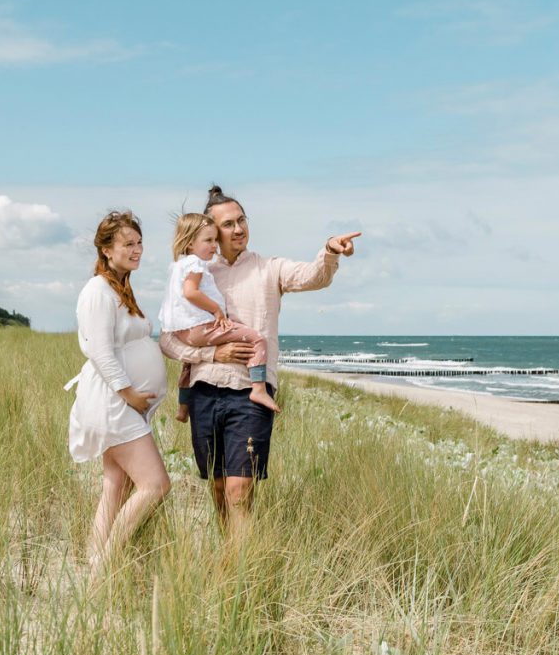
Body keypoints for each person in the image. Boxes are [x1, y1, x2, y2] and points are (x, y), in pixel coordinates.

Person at [160, 185, 359, 534]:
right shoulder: (196, 272)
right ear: (210, 231)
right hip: (205, 390)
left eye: (242, 221)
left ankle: (242, 572)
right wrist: (210, 353)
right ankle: (229, 560)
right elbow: (167, 338)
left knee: (240, 490)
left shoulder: (269, 268)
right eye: (228, 224)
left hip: (251, 393)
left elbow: (314, 276)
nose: (238, 229)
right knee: (219, 488)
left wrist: (329, 250)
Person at [67, 210, 170, 579]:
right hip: (113, 401)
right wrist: (129, 394)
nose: (137, 249)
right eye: (128, 243)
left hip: (121, 403)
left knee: (116, 484)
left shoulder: (120, 287)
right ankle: (107, 568)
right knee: (155, 484)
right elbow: (100, 350)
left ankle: (95, 565)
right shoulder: (97, 290)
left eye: (140, 242)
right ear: (107, 249)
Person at [158, 212, 279, 418]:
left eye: (215, 240)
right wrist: (216, 310)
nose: (214, 246)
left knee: (189, 364)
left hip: (182, 331)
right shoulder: (195, 264)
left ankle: (183, 406)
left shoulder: (178, 266)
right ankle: (258, 389)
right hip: (201, 328)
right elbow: (191, 292)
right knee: (257, 339)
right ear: (189, 244)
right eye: (208, 240)